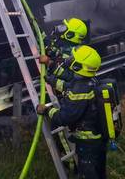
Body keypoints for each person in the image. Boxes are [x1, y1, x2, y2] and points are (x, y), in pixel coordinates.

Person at [37, 45, 108, 179]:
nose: (70, 59)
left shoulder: (80, 90)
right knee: (99, 172)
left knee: (89, 174)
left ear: (79, 66)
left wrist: (47, 110)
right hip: (98, 139)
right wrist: (52, 80)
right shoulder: (90, 80)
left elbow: (64, 118)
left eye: (74, 59)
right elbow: (68, 86)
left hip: (87, 143)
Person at [40, 17, 89, 94]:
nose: (59, 28)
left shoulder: (74, 54)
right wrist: (38, 30)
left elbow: (69, 76)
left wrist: (50, 64)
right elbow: (50, 46)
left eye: (64, 28)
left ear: (70, 35)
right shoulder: (62, 42)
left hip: (61, 91)